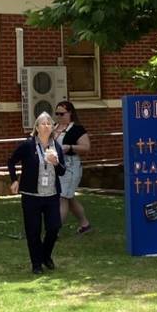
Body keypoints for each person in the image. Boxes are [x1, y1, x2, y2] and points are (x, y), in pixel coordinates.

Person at [8, 112, 66, 275]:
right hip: (31, 195)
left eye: (49, 123)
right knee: (33, 231)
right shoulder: (28, 145)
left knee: (54, 228)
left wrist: (56, 163)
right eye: (43, 123)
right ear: (36, 128)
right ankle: (36, 264)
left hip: (51, 195)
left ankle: (45, 255)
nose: (46, 126)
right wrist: (14, 180)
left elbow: (62, 172)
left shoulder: (56, 146)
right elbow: (11, 161)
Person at [54, 100, 94, 235]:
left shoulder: (77, 129)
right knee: (69, 197)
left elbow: (86, 147)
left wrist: (70, 147)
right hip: (56, 166)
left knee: (62, 197)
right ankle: (85, 224)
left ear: (70, 113)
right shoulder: (54, 128)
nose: (59, 117)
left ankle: (55, 231)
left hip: (71, 166)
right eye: (57, 114)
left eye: (62, 114)